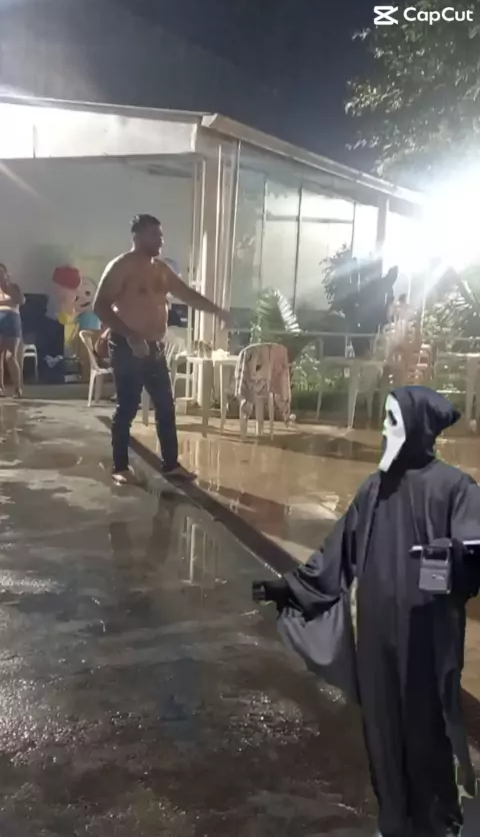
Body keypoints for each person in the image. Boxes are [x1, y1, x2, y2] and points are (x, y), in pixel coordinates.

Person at [254, 386, 480, 837]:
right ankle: (394, 822)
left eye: (392, 421)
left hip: (426, 639)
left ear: (416, 428)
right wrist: (291, 588)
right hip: (376, 638)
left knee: (426, 731)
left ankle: (436, 825)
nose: (383, 430)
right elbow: (337, 552)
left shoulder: (455, 487)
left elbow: (473, 549)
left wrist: (450, 554)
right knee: (381, 731)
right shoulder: (374, 489)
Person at [93, 214, 230, 485]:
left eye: (161, 235)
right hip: (127, 345)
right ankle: (120, 466)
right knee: (128, 406)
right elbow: (100, 306)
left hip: (154, 347)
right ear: (137, 236)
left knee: (166, 405)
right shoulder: (122, 266)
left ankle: (171, 464)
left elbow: (187, 294)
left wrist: (217, 311)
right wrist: (131, 335)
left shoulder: (161, 269)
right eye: (155, 235)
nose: (161, 241)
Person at [0, 263, 25, 398]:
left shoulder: (13, 287)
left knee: (10, 356)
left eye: (1, 272)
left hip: (11, 319)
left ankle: (17, 388)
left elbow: (20, 300)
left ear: (5, 274)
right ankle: (0, 388)